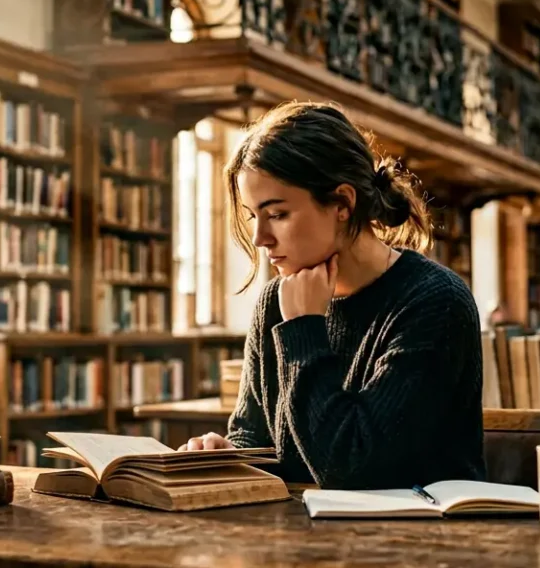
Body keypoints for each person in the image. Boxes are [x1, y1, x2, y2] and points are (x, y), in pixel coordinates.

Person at [177, 101, 486, 491]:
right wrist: (227, 454)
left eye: (277, 214)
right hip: (300, 537)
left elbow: (352, 467)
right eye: (254, 216)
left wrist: (305, 328)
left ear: (342, 203)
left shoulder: (435, 301)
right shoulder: (275, 303)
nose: (260, 239)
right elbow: (256, 440)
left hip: (423, 541)